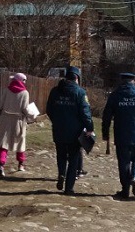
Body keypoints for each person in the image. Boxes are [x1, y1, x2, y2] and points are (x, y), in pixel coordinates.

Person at [101, 72, 135, 199]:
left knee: (123, 162)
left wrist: (105, 133)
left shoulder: (115, 96)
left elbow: (107, 116)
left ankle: (125, 190)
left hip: (121, 135)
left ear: (121, 81)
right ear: (133, 81)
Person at [46, 65, 93, 195]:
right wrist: (89, 128)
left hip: (59, 129)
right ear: (77, 78)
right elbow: (85, 113)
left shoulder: (55, 91)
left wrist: (56, 121)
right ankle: (69, 187)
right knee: (73, 159)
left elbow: (49, 109)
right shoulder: (80, 92)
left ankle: (61, 173)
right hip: (75, 132)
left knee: (61, 155)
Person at [0, 72, 31, 177]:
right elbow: (25, 109)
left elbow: (0, 105)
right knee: (19, 142)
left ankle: (1, 165)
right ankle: (21, 164)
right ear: (22, 81)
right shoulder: (25, 93)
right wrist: (32, 115)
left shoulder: (6, 90)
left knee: (3, 143)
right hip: (18, 120)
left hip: (5, 119)